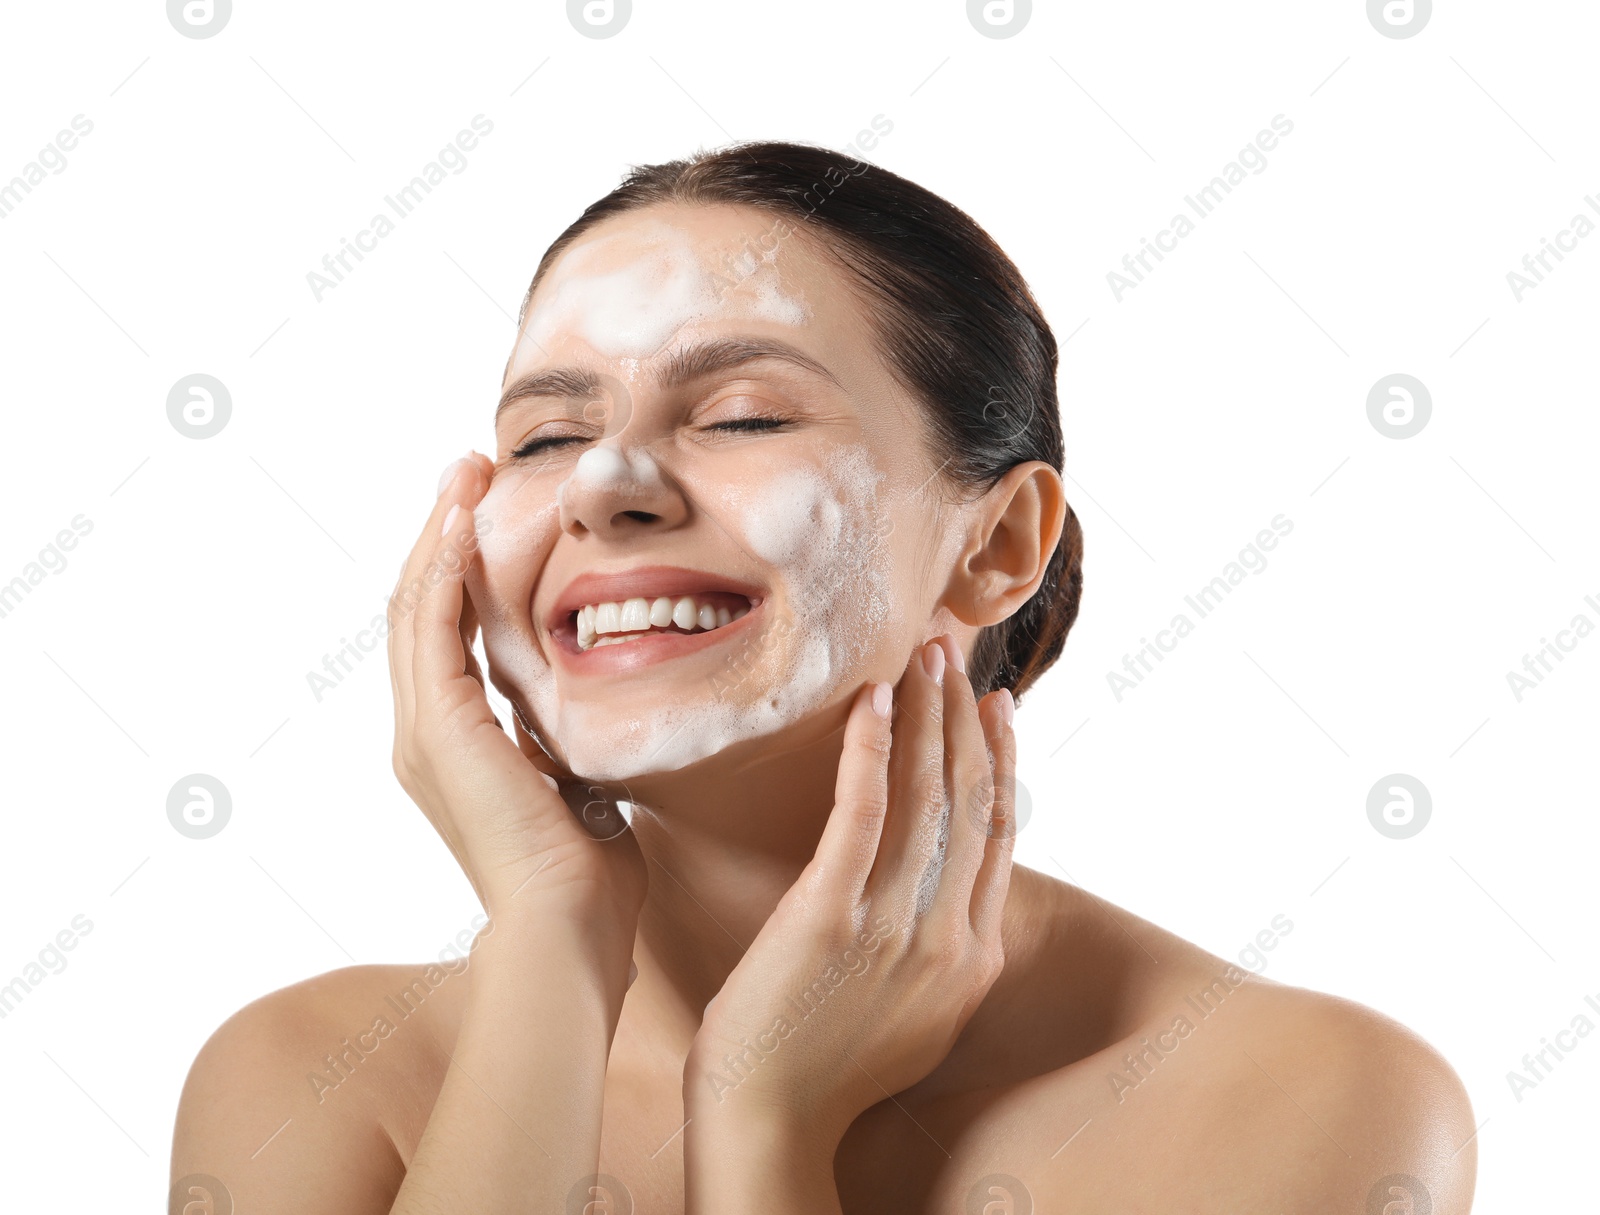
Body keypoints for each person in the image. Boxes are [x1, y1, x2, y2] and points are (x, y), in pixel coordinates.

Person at [172, 142, 1476, 1213]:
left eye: (743, 416)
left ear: (998, 544)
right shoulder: (310, 1081)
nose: (607, 484)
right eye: (547, 435)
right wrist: (548, 944)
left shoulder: (1297, 1094)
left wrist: (764, 1131)